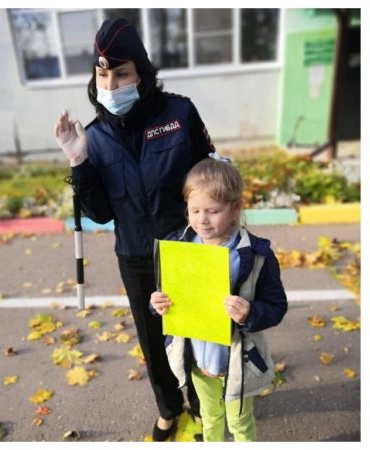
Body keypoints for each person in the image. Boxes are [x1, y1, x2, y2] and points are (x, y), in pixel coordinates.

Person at [53, 17, 217, 440]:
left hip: (190, 246)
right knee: (153, 342)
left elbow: (208, 175)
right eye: (103, 74)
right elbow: (102, 213)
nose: (111, 84)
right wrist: (78, 163)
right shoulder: (94, 137)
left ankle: (202, 406)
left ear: (141, 74)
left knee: (199, 334)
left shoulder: (179, 113)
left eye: (122, 73)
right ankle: (168, 408)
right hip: (136, 254)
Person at [150, 157, 287, 441]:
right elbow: (167, 299)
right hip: (198, 360)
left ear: (235, 208)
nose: (202, 219)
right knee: (209, 418)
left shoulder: (256, 255)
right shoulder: (180, 247)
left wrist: (250, 313)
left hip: (238, 360)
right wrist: (156, 305)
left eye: (213, 211)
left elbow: (276, 306)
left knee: (240, 424)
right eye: (194, 210)